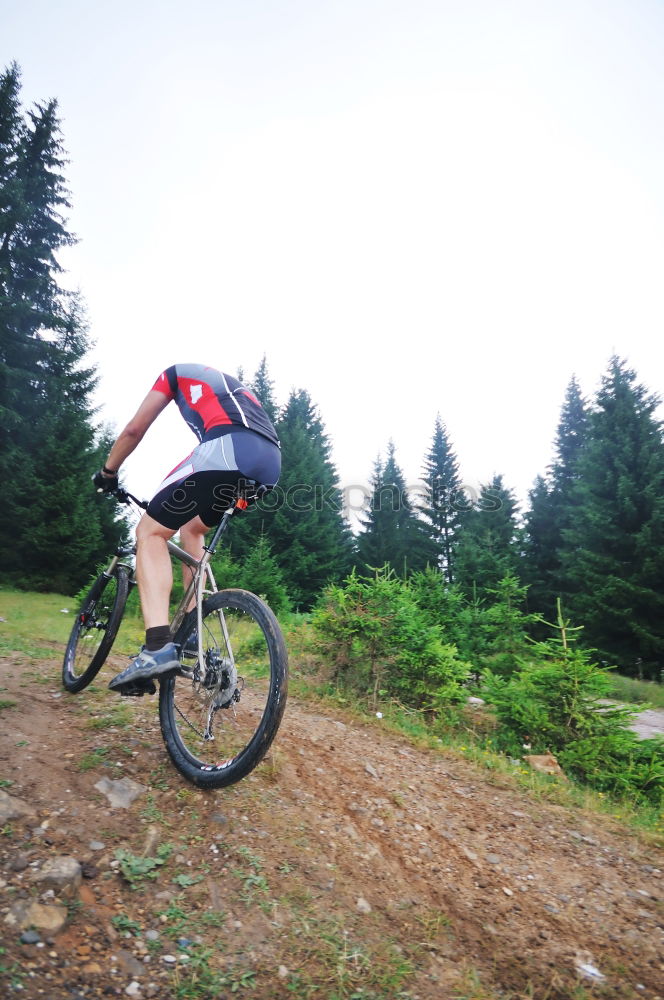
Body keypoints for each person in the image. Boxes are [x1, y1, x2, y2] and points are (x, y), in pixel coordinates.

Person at [93, 363, 281, 694]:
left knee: (150, 532)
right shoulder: (233, 390)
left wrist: (108, 473)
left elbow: (134, 430)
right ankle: (191, 632)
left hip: (227, 450)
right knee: (192, 529)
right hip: (269, 464)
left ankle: (156, 647)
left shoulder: (174, 374)